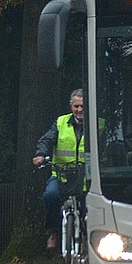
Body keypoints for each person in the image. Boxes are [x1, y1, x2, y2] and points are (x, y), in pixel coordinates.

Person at [33, 89, 86, 250]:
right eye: (76, 106)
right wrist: (40, 155)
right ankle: (54, 232)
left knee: (91, 206)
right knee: (50, 196)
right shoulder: (61, 122)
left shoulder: (99, 123)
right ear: (71, 106)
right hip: (61, 174)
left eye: (83, 106)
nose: (79, 110)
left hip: (86, 177)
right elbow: (46, 140)